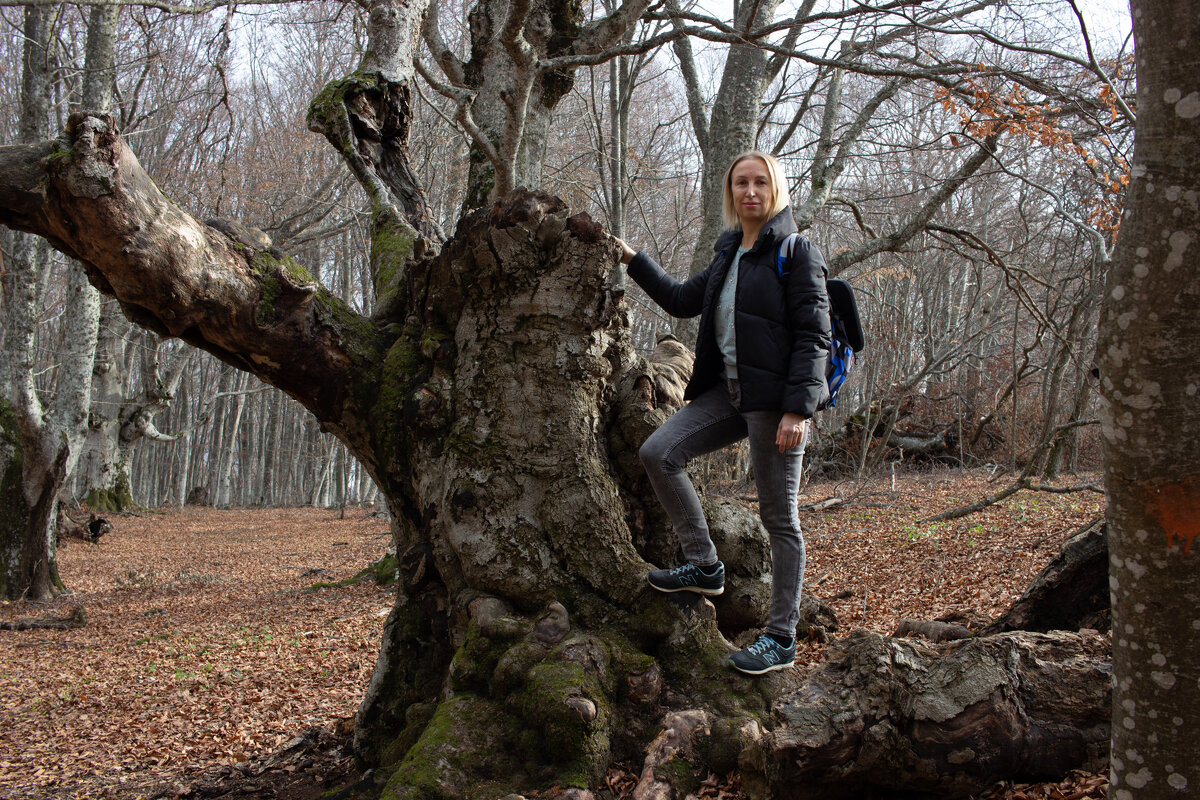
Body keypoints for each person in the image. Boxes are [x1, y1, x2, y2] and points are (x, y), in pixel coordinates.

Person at [613, 151, 831, 675]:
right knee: (659, 451)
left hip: (775, 404)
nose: (750, 192)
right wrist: (632, 258)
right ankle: (704, 564)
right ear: (730, 192)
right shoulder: (730, 252)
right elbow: (681, 300)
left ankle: (780, 637)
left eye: (760, 183)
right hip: (728, 392)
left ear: (775, 190)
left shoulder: (796, 252)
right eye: (740, 183)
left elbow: (814, 336)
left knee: (780, 519)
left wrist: (797, 410)